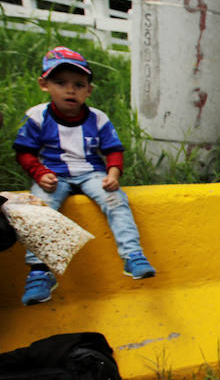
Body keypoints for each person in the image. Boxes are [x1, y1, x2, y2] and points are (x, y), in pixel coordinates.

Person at [13, 47, 155, 306]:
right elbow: (24, 152)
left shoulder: (98, 118)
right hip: (52, 174)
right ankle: (39, 271)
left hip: (91, 173)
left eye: (79, 84)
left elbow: (113, 150)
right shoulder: (37, 117)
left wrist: (113, 173)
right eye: (61, 83)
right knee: (37, 210)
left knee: (115, 200)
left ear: (88, 90)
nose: (70, 90)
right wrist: (39, 173)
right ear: (44, 84)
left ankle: (133, 255)